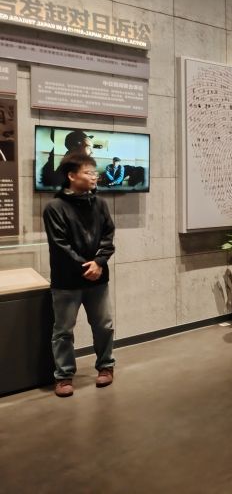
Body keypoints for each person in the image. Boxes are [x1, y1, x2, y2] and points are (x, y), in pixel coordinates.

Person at [43, 152, 115, 397]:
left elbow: (108, 237)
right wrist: (88, 267)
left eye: (95, 172)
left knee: (104, 326)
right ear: (72, 176)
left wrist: (99, 263)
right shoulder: (54, 207)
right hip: (66, 282)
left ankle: (106, 366)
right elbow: (60, 246)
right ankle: (63, 377)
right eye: (88, 172)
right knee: (63, 331)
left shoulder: (100, 204)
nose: (94, 176)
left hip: (98, 278)